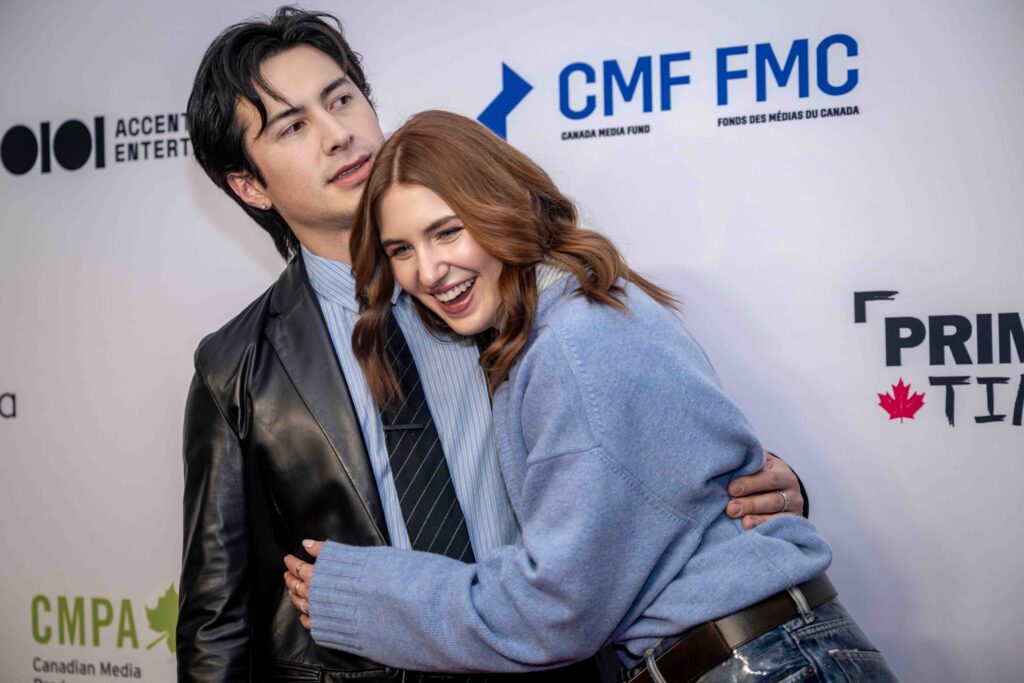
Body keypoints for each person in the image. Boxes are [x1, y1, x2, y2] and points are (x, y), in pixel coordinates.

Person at [180, 7, 812, 681]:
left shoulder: (516, 297)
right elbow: (218, 622)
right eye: (294, 126)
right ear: (249, 184)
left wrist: (754, 499)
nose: (337, 134)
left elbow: (622, 480)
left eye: (341, 99)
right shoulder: (236, 367)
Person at [284, 110, 898, 682]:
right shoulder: (575, 314)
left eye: (447, 232)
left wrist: (365, 592)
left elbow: (554, 612)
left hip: (759, 665)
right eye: (401, 250)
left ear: (502, 206)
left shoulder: (571, 344)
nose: (428, 270)